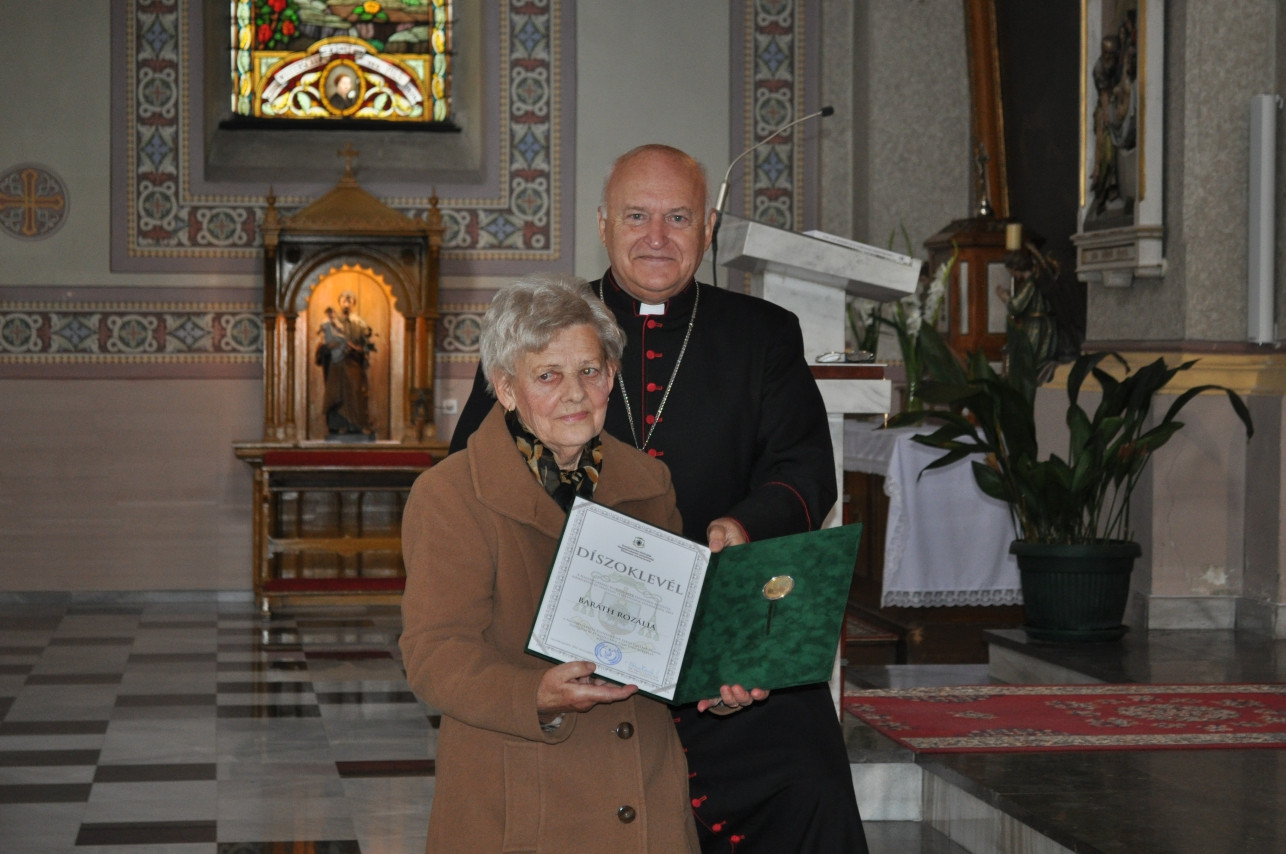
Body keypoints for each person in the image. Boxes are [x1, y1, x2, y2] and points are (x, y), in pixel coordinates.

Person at [450, 146, 868, 853]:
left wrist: (743, 524)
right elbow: (473, 465)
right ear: (604, 225)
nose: (656, 237)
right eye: (636, 216)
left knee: (808, 781)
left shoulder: (763, 333)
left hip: (720, 619)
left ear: (708, 228)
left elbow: (803, 468)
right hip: (578, 624)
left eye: (678, 218)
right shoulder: (539, 327)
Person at [401, 274, 760, 853]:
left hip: (643, 794)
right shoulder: (451, 494)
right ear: (506, 388)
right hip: (521, 803)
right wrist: (534, 695)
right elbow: (434, 654)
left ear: (611, 376)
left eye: (589, 371)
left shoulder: (649, 481)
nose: (575, 393)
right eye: (548, 375)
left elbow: (671, 636)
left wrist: (717, 681)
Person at [316, 290, 374, 437]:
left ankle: (357, 425)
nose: (347, 303)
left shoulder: (360, 324)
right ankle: (338, 425)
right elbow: (323, 345)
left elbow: (366, 345)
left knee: (355, 392)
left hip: (353, 363)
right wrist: (330, 347)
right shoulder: (331, 323)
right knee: (337, 393)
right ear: (340, 303)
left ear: (354, 303)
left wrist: (359, 349)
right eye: (344, 300)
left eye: (350, 300)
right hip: (336, 364)